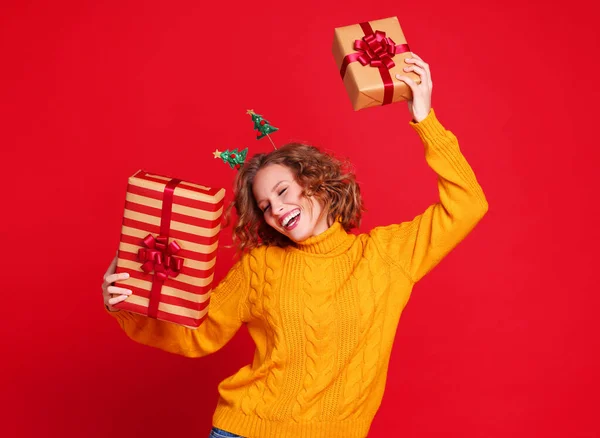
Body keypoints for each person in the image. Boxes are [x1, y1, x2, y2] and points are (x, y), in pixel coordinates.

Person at [102, 54, 488, 438]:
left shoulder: (386, 255)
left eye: (283, 191)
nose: (277, 209)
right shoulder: (261, 266)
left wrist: (425, 119)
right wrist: (129, 307)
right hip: (246, 431)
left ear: (317, 181)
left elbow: (469, 204)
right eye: (265, 206)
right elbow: (197, 336)